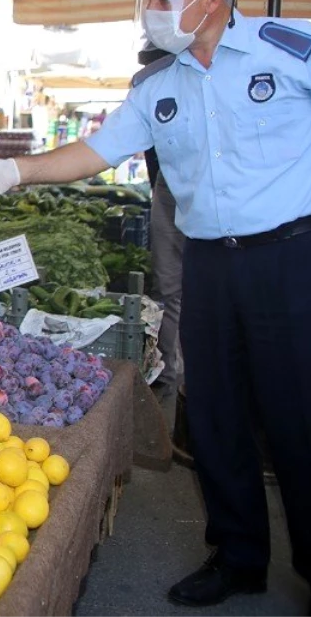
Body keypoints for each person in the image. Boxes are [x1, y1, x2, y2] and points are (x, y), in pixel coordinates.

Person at [0, 0, 311, 614]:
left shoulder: (289, 49)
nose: (151, 9)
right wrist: (17, 170)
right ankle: (238, 557)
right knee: (213, 415)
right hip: (209, 261)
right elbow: (94, 151)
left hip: (292, 258)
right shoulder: (157, 86)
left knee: (299, 417)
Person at [135, 42, 187, 399]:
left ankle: (175, 378)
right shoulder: (148, 88)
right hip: (168, 189)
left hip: (185, 191)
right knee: (171, 294)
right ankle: (171, 378)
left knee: (177, 294)